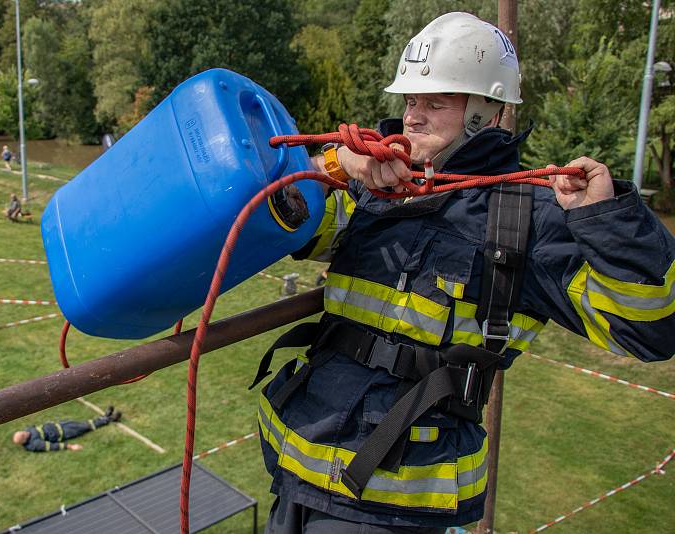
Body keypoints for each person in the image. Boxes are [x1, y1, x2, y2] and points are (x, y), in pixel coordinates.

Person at [256, 12, 675, 533]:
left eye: (436, 103)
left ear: (489, 112)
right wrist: (340, 164)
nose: (413, 118)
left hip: (390, 498)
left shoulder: (531, 218)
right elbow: (284, 221)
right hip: (296, 463)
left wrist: (605, 219)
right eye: (410, 101)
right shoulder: (379, 184)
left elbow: (650, 329)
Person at [12, 406, 122, 452]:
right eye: (23, 435)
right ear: (24, 441)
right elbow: (52, 446)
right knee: (86, 427)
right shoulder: (34, 444)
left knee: (83, 423)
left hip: (61, 425)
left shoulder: (28, 431)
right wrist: (71, 446)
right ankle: (110, 419)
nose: (25, 432)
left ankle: (104, 417)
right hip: (65, 432)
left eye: (22, 432)